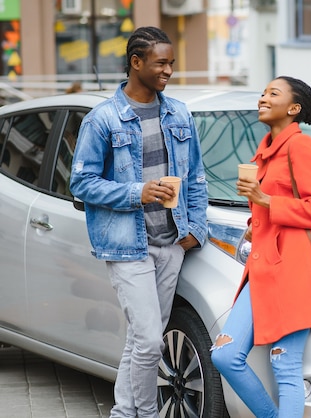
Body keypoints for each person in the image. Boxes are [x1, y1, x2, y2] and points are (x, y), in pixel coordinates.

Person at [69, 26, 208, 418]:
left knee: (139, 339)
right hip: (128, 244)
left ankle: (123, 413)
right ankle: (146, 414)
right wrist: (137, 192)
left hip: (172, 243)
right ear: (136, 62)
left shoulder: (178, 112)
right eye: (161, 63)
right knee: (149, 341)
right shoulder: (104, 119)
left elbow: (196, 176)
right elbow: (81, 182)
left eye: (172, 64)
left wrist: (195, 229)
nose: (168, 71)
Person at [210, 76, 311, 417]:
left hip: (294, 270)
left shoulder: (301, 147)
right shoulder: (265, 149)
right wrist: (254, 222)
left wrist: (264, 199)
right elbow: (267, 210)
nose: (263, 98)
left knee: (284, 364)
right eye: (263, 93)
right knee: (225, 355)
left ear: (294, 108)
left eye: (273, 93)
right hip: (263, 268)